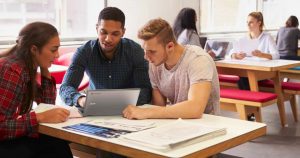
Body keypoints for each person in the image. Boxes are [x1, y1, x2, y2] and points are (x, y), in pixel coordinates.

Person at [123, 18, 220, 120]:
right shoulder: (155, 64)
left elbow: (195, 109)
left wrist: (147, 112)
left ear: (170, 46)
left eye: (152, 51)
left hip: (207, 125)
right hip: (177, 122)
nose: (146, 57)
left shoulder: (198, 60)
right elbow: (158, 107)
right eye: (145, 51)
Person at [0, 22, 72, 158]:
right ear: (34, 49)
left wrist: (45, 69)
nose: (57, 55)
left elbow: (47, 105)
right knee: (55, 147)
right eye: (53, 50)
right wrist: (39, 117)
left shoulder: (27, 67)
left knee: (57, 143)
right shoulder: (11, 71)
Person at [59, 7, 152, 107]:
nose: (108, 39)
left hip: (129, 108)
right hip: (94, 107)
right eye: (103, 32)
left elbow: (145, 91)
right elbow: (66, 87)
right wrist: (80, 99)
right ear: (97, 29)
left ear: (123, 32)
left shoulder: (135, 51)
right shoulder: (84, 52)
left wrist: (117, 102)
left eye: (115, 34)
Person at [230, 11, 279, 90]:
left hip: (262, 72)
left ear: (259, 23)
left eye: (251, 22)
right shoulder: (244, 38)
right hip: (247, 70)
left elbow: (276, 55)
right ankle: (248, 100)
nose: (248, 25)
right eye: (247, 22)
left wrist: (262, 55)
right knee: (243, 79)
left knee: (243, 80)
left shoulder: (267, 37)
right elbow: (232, 52)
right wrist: (236, 55)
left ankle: (247, 101)